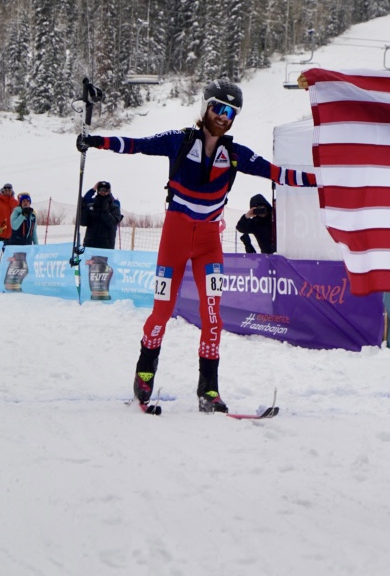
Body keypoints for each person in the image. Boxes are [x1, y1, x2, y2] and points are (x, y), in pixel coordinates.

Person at [78, 81, 316, 413]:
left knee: (213, 316)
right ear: (204, 108)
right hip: (174, 240)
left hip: (207, 243)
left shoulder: (234, 154)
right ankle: (144, 378)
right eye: (218, 108)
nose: (224, 116)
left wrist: (321, 180)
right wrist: (95, 141)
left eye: (231, 112)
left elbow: (277, 174)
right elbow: (134, 144)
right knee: (162, 312)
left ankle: (209, 391)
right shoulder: (178, 141)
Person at [79, 180, 122, 249]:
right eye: (101, 189)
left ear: (109, 191)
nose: (103, 192)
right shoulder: (93, 203)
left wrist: (105, 207)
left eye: (105, 190)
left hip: (106, 245)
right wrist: (93, 190)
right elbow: (84, 202)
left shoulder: (115, 204)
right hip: (90, 243)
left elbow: (113, 223)